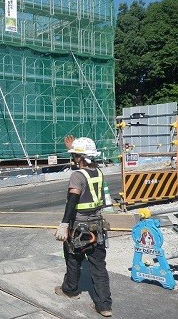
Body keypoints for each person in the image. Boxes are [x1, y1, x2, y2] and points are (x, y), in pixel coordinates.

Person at [54, 135, 112, 317]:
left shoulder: (77, 176)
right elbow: (85, 162)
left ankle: (70, 290)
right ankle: (104, 306)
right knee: (98, 266)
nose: (72, 158)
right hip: (97, 227)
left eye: (74, 155)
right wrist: (76, 149)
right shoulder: (98, 172)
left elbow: (72, 201)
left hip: (79, 228)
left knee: (73, 259)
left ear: (79, 157)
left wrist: (64, 225)